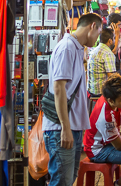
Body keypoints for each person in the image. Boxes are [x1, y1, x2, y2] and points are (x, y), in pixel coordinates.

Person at [43, 13, 103, 186]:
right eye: (98, 33)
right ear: (92, 26)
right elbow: (59, 89)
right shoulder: (67, 47)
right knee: (62, 180)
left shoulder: (77, 48)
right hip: (61, 128)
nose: (98, 39)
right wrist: (65, 128)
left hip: (72, 127)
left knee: (68, 179)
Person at [84, 75, 121, 186]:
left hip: (106, 142)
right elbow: (119, 146)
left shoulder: (111, 97)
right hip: (97, 150)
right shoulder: (106, 116)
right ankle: (119, 184)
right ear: (111, 100)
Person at [87, 27, 117, 111]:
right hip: (100, 92)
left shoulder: (93, 50)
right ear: (110, 40)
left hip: (91, 89)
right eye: (114, 38)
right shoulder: (107, 53)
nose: (114, 41)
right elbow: (111, 78)